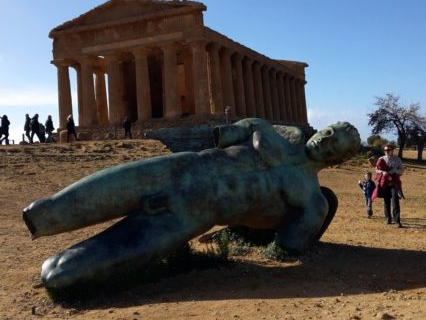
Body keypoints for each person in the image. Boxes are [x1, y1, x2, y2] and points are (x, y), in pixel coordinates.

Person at [23, 118, 361, 289]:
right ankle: (41, 220)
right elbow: (226, 133)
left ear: (340, 160)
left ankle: (60, 278)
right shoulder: (272, 131)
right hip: (185, 166)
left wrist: (294, 223)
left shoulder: (312, 200)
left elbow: (289, 243)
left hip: (200, 210)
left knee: (65, 272)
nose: (327, 141)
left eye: (336, 146)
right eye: (329, 133)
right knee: (52, 208)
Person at [375, 143, 404, 227]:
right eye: (385, 150)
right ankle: (388, 218)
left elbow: (402, 170)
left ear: (392, 150)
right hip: (385, 183)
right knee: (386, 201)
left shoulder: (397, 159)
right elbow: (376, 169)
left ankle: (397, 221)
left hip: (394, 183)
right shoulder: (381, 159)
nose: (386, 151)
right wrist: (382, 172)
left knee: (395, 202)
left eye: (388, 150)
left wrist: (394, 170)